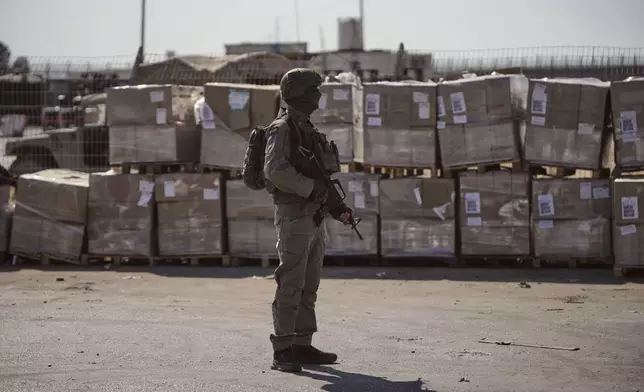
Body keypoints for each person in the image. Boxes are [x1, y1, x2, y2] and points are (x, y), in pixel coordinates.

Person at [263, 68, 352, 373]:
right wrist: (312, 189)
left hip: (312, 217)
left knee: (309, 284)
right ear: (300, 94)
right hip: (294, 217)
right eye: (314, 90)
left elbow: (320, 176)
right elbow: (274, 171)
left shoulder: (306, 129)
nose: (318, 96)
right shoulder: (283, 128)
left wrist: (337, 208)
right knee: (290, 283)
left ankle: (302, 344)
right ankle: (283, 349)